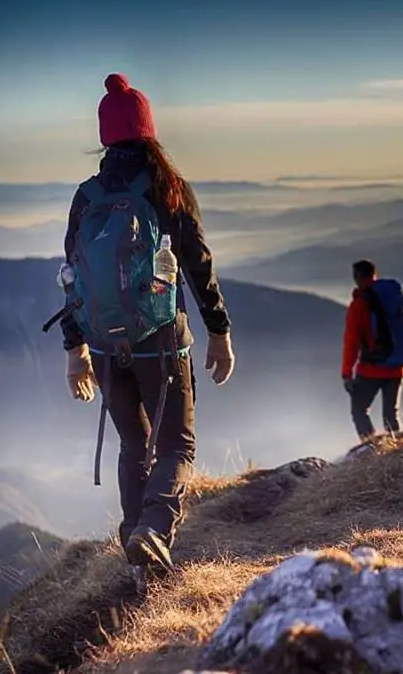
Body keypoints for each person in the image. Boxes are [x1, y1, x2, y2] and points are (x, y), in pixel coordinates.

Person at [61, 73, 235, 575]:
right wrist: (219, 331)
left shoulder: (87, 196)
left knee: (134, 446)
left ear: (104, 136)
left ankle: (137, 552)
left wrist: (76, 350)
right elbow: (197, 263)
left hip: (105, 343)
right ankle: (154, 532)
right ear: (148, 130)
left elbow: (71, 273)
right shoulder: (166, 188)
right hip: (161, 339)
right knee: (177, 444)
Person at [341, 260, 403, 449]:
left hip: (371, 369)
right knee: (391, 415)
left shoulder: (360, 305)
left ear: (358, 277)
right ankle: (399, 449)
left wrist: (347, 373)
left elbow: (351, 342)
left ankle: (370, 449)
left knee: (359, 409)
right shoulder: (393, 296)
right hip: (397, 367)